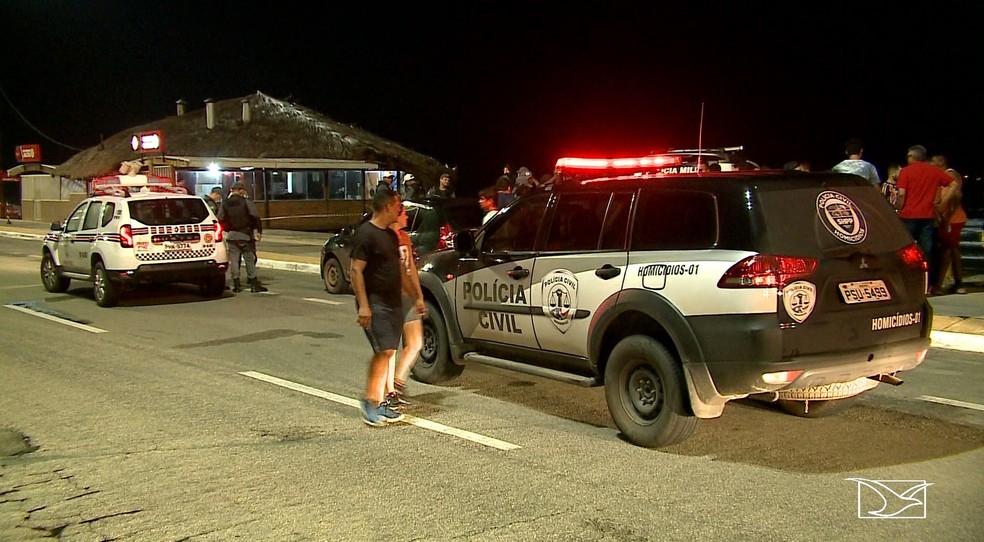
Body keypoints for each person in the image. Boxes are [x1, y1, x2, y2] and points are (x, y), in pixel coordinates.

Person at [349, 188, 406, 426]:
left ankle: (379, 403)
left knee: (389, 350)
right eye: (398, 205)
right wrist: (364, 305)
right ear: (387, 207)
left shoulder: (391, 235)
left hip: (393, 302)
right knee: (382, 350)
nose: (401, 209)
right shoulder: (366, 234)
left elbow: (398, 269)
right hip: (375, 302)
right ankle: (370, 402)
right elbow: (355, 270)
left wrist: (416, 297)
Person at [385, 203, 427, 408]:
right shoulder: (384, 238)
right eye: (404, 215)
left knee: (416, 342)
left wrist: (418, 296)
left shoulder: (404, 238)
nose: (407, 219)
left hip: (407, 296)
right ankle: (389, 393)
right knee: (390, 348)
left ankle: (398, 383)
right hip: (389, 298)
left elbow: (411, 269)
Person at [897, 145, 953, 290]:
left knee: (905, 249)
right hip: (927, 216)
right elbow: (953, 184)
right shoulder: (934, 171)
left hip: (908, 215)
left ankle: (907, 282)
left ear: (911, 157)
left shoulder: (905, 171)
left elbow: (902, 194)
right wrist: (944, 201)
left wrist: (898, 207)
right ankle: (925, 284)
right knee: (926, 251)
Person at [217, 181, 268, 293]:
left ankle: (236, 284)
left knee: (234, 260)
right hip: (245, 235)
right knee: (250, 259)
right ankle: (254, 283)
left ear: (231, 190)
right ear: (241, 190)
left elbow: (219, 218)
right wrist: (258, 231)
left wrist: (226, 228)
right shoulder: (246, 202)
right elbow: (255, 216)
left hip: (231, 235)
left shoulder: (224, 203)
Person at [930, 154, 967, 295]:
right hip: (947, 217)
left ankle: (938, 285)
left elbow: (957, 195)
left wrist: (946, 215)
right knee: (952, 249)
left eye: (933, 161)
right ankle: (959, 283)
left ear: (941, 162)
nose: (931, 164)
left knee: (946, 249)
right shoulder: (943, 175)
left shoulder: (950, 174)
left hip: (953, 218)